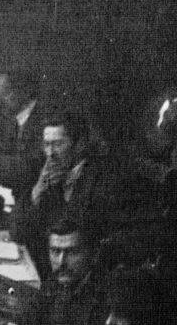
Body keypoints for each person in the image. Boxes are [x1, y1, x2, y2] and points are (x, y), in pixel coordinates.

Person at [13, 112, 148, 277]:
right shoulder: (44, 175)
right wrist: (37, 192)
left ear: (79, 145)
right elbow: (16, 233)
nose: (50, 153)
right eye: (46, 145)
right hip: (48, 271)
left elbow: (81, 233)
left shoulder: (103, 180)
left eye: (57, 144)